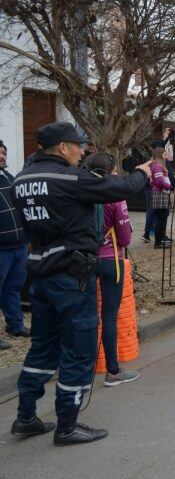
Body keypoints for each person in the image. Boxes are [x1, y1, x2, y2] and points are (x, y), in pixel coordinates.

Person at [10, 122, 150, 445]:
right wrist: (144, 172)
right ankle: (67, 425)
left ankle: (26, 415)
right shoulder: (69, 178)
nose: (82, 151)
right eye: (78, 145)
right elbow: (121, 188)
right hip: (72, 278)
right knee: (79, 348)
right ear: (61, 147)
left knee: (43, 347)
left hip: (40, 275)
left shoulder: (21, 180)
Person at [84, 152, 140, 387]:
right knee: (108, 315)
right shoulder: (115, 196)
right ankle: (113, 371)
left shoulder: (81, 192)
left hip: (84, 259)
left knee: (85, 315)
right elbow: (125, 237)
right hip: (110, 259)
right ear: (111, 171)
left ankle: (82, 368)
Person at [0, 141, 30, 352]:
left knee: (13, 288)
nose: (2, 156)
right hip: (1, 248)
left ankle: (16, 326)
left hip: (19, 245)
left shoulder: (10, 178)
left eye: (3, 153)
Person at [149, 146, 173, 249]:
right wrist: (169, 186)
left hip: (161, 193)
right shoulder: (158, 166)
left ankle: (160, 240)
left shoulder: (156, 165)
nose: (165, 156)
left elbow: (153, 181)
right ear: (159, 155)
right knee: (161, 219)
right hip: (160, 193)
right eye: (164, 154)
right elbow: (158, 181)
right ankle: (158, 243)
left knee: (162, 218)